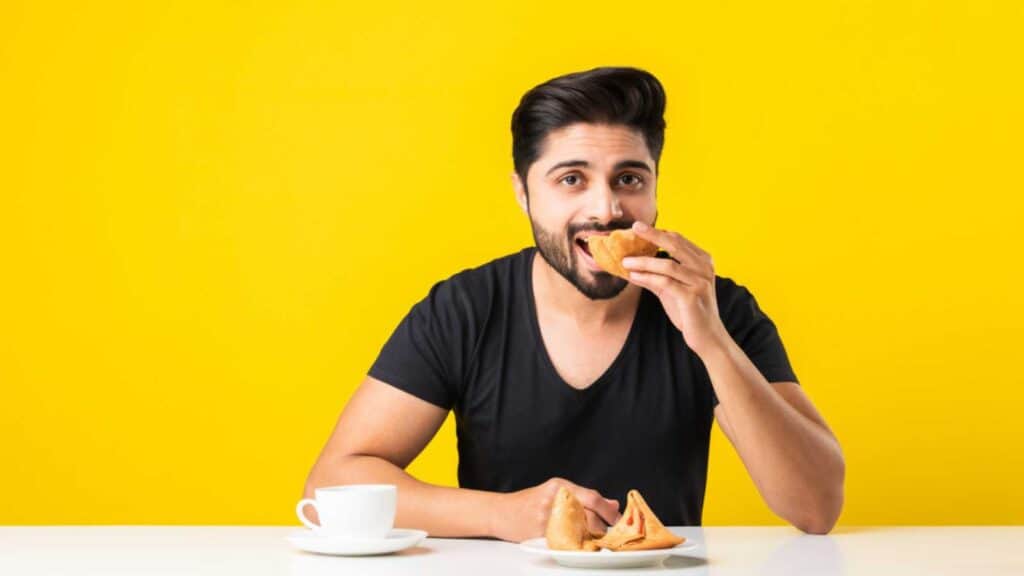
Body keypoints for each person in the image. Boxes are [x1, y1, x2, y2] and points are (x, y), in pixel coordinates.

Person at [302, 67, 845, 540]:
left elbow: (817, 508)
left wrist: (712, 343)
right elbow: (332, 485)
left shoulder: (715, 307)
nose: (606, 208)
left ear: (655, 188)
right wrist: (503, 514)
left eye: (629, 179)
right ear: (523, 193)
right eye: (571, 179)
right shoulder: (466, 309)